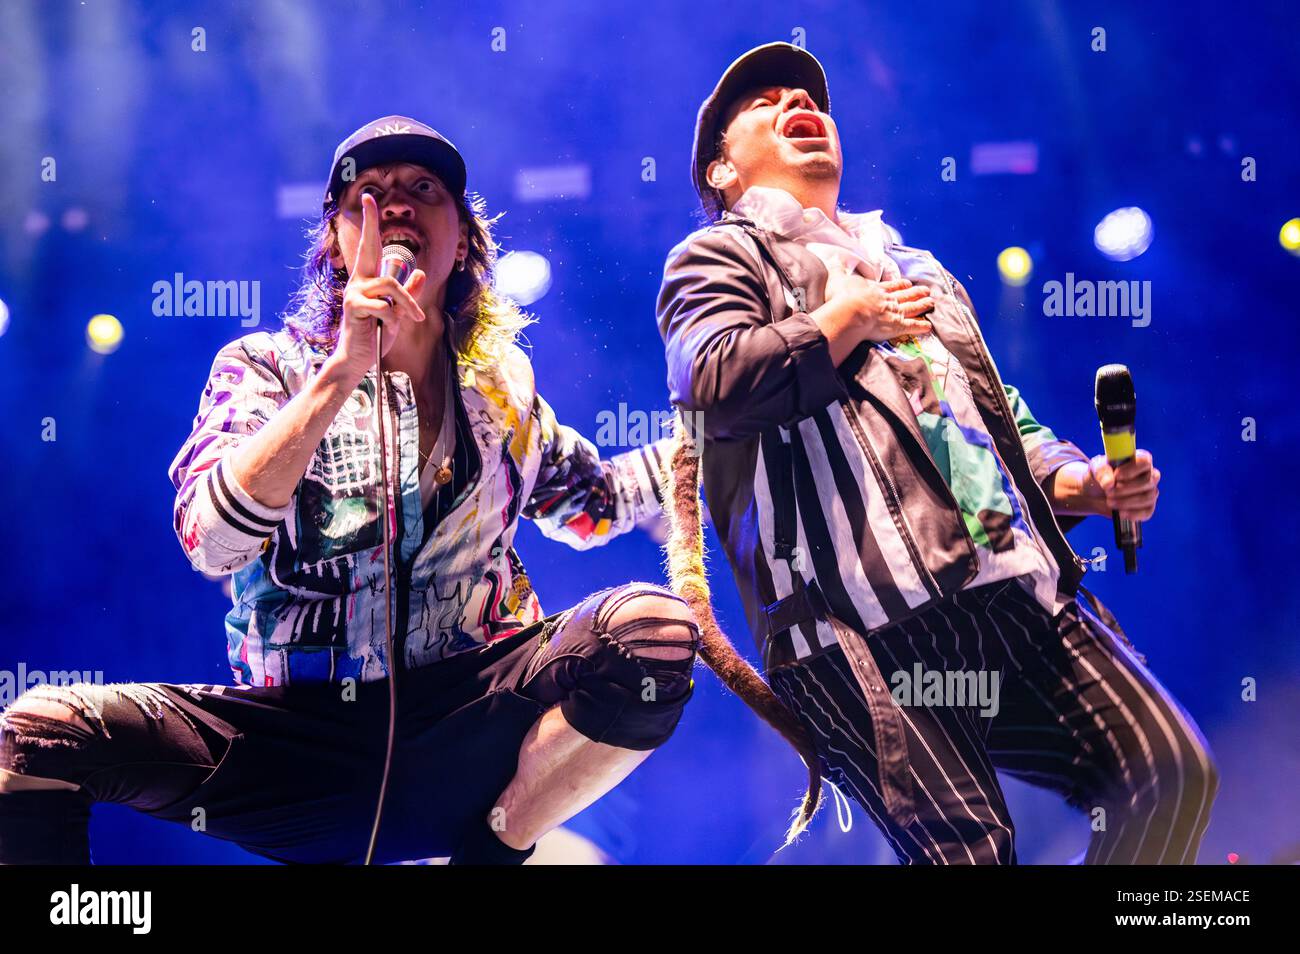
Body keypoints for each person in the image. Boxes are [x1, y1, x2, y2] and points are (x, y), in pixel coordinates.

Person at [0, 115, 700, 866]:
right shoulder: (266, 369)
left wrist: (721, 437)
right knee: (39, 735)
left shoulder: (502, 392)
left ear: (463, 237)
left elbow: (595, 501)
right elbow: (212, 537)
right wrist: (340, 373)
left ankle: (497, 844)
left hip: (471, 723)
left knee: (652, 633)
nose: (396, 203)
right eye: (368, 194)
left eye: (423, 189)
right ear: (334, 240)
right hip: (298, 744)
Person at [656, 44, 1217, 863]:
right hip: (859, 631)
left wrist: (1078, 480)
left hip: (1009, 599)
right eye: (764, 102)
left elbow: (991, 421)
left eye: (807, 94)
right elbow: (712, 383)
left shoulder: (915, 269)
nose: (796, 103)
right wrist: (840, 319)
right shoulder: (716, 257)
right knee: (973, 855)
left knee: (1167, 774)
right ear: (719, 173)